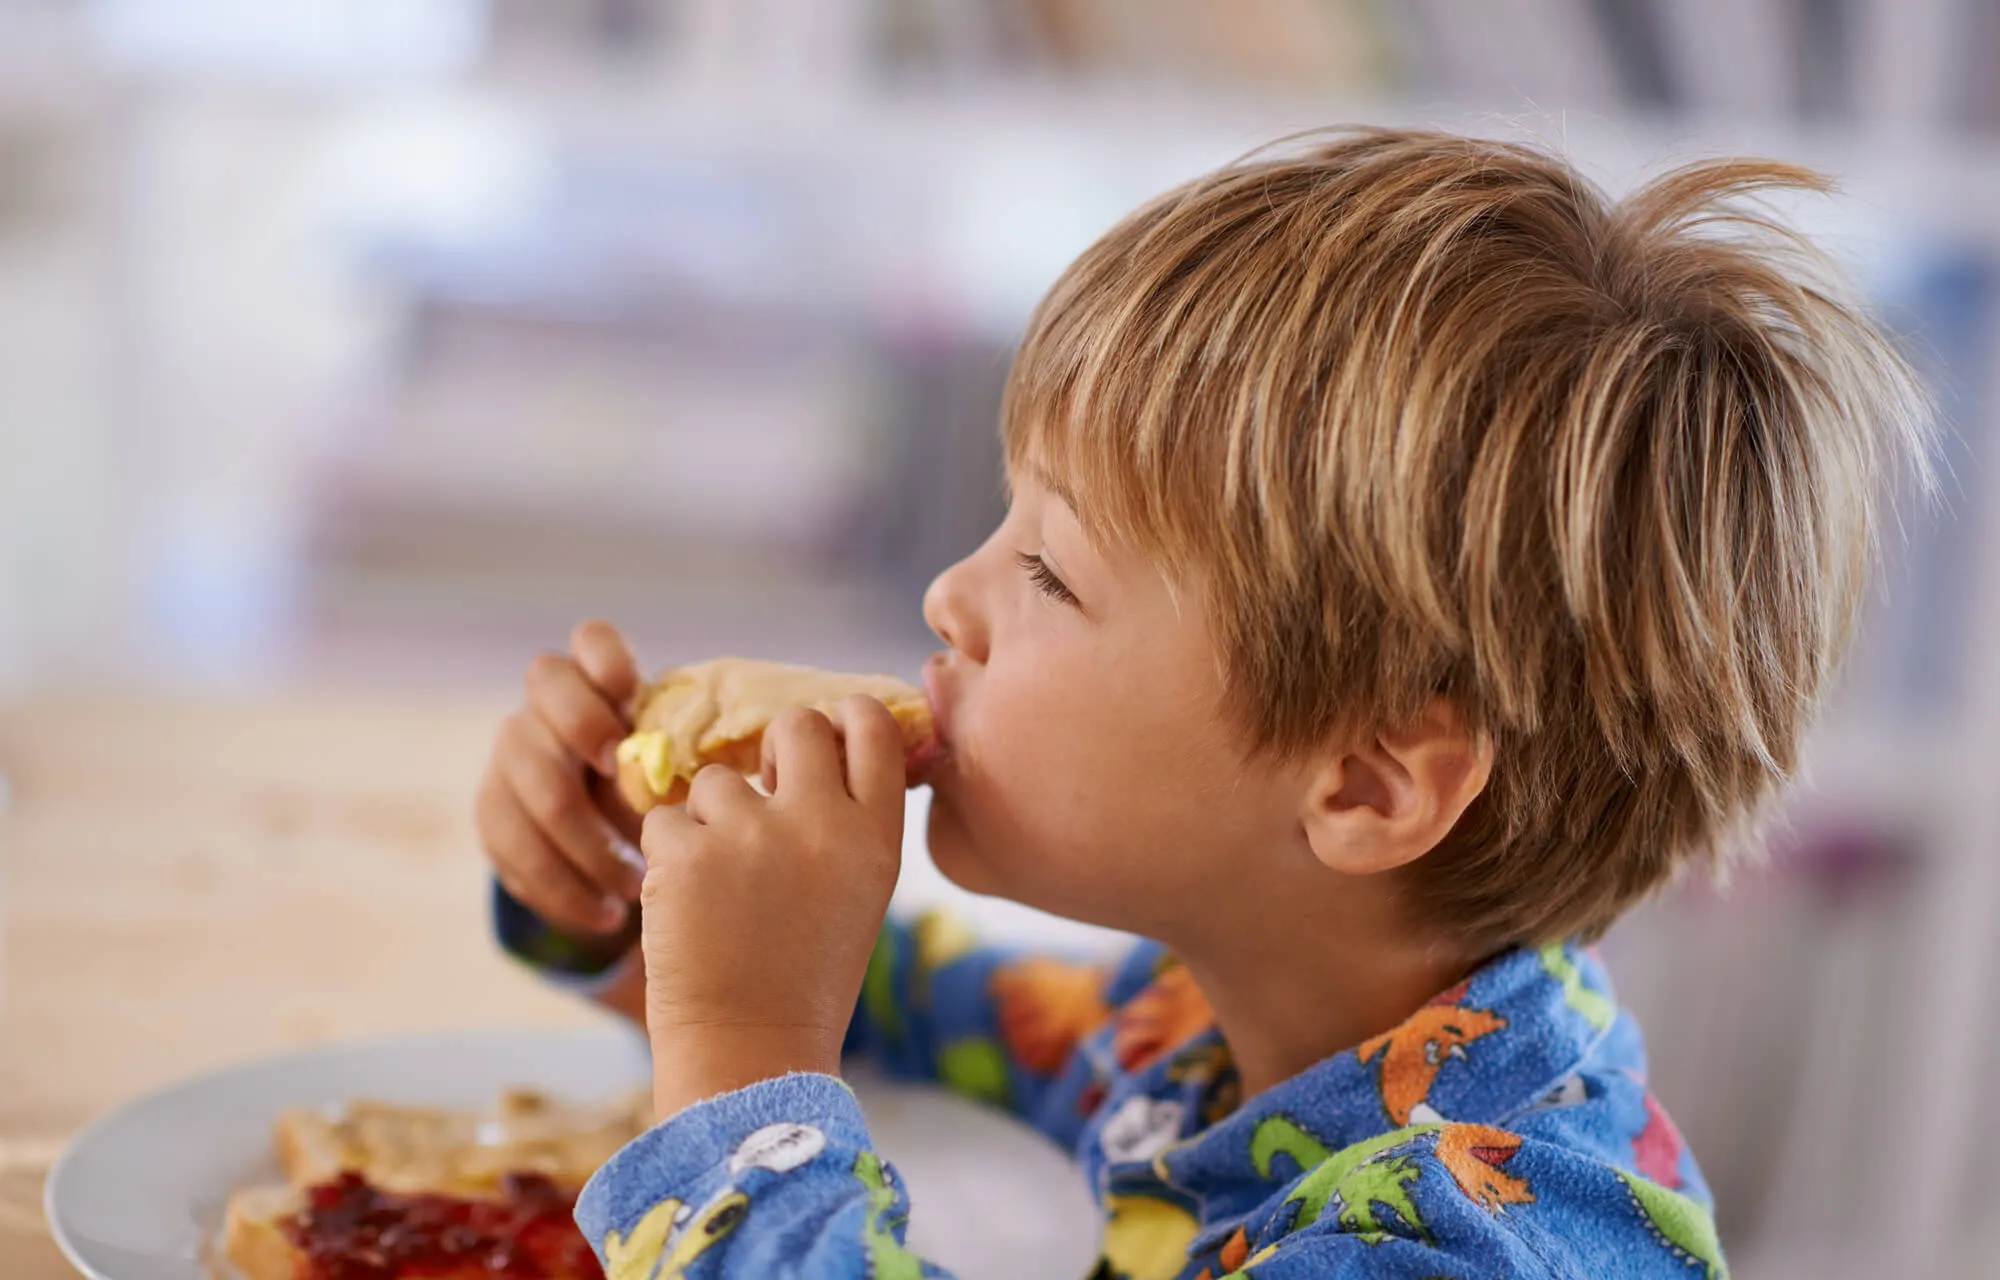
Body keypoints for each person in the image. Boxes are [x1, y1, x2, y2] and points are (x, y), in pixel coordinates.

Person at [474, 127, 1928, 1279]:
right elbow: (882, 1008)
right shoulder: (1219, 1020)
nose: (947, 598)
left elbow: (781, 1026)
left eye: (1049, 574)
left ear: (1365, 785)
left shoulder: (1471, 1247)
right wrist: (622, 898)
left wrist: (740, 1053)